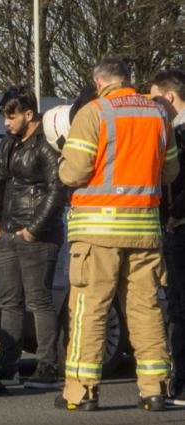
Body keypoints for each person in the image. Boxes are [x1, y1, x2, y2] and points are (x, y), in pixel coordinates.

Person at [57, 58, 179, 412]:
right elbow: (170, 172)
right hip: (144, 229)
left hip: (97, 232)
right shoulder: (158, 116)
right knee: (147, 309)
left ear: (98, 83)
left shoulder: (94, 113)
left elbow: (75, 172)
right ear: (130, 79)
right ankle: (154, 389)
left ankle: (82, 393)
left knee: (89, 309)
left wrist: (64, 159)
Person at [0, 86, 65, 389]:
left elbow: (57, 190)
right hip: (7, 232)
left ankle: (47, 367)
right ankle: (8, 367)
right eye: (5, 117)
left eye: (11, 116)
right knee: (10, 302)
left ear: (28, 114)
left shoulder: (46, 145)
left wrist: (33, 229)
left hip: (38, 236)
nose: (6, 122)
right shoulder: (7, 144)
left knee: (39, 300)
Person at [149, 69, 185, 406]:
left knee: (179, 308)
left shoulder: (178, 132)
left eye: (155, 98)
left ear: (169, 97)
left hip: (180, 227)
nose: (152, 106)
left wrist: (174, 214)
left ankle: (181, 383)